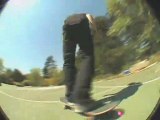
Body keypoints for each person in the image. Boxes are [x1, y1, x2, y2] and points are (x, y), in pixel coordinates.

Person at [62, 13, 97, 113]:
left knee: (68, 61)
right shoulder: (84, 14)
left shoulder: (69, 18)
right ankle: (82, 99)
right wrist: (94, 29)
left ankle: (70, 96)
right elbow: (89, 16)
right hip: (81, 23)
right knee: (88, 55)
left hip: (66, 27)